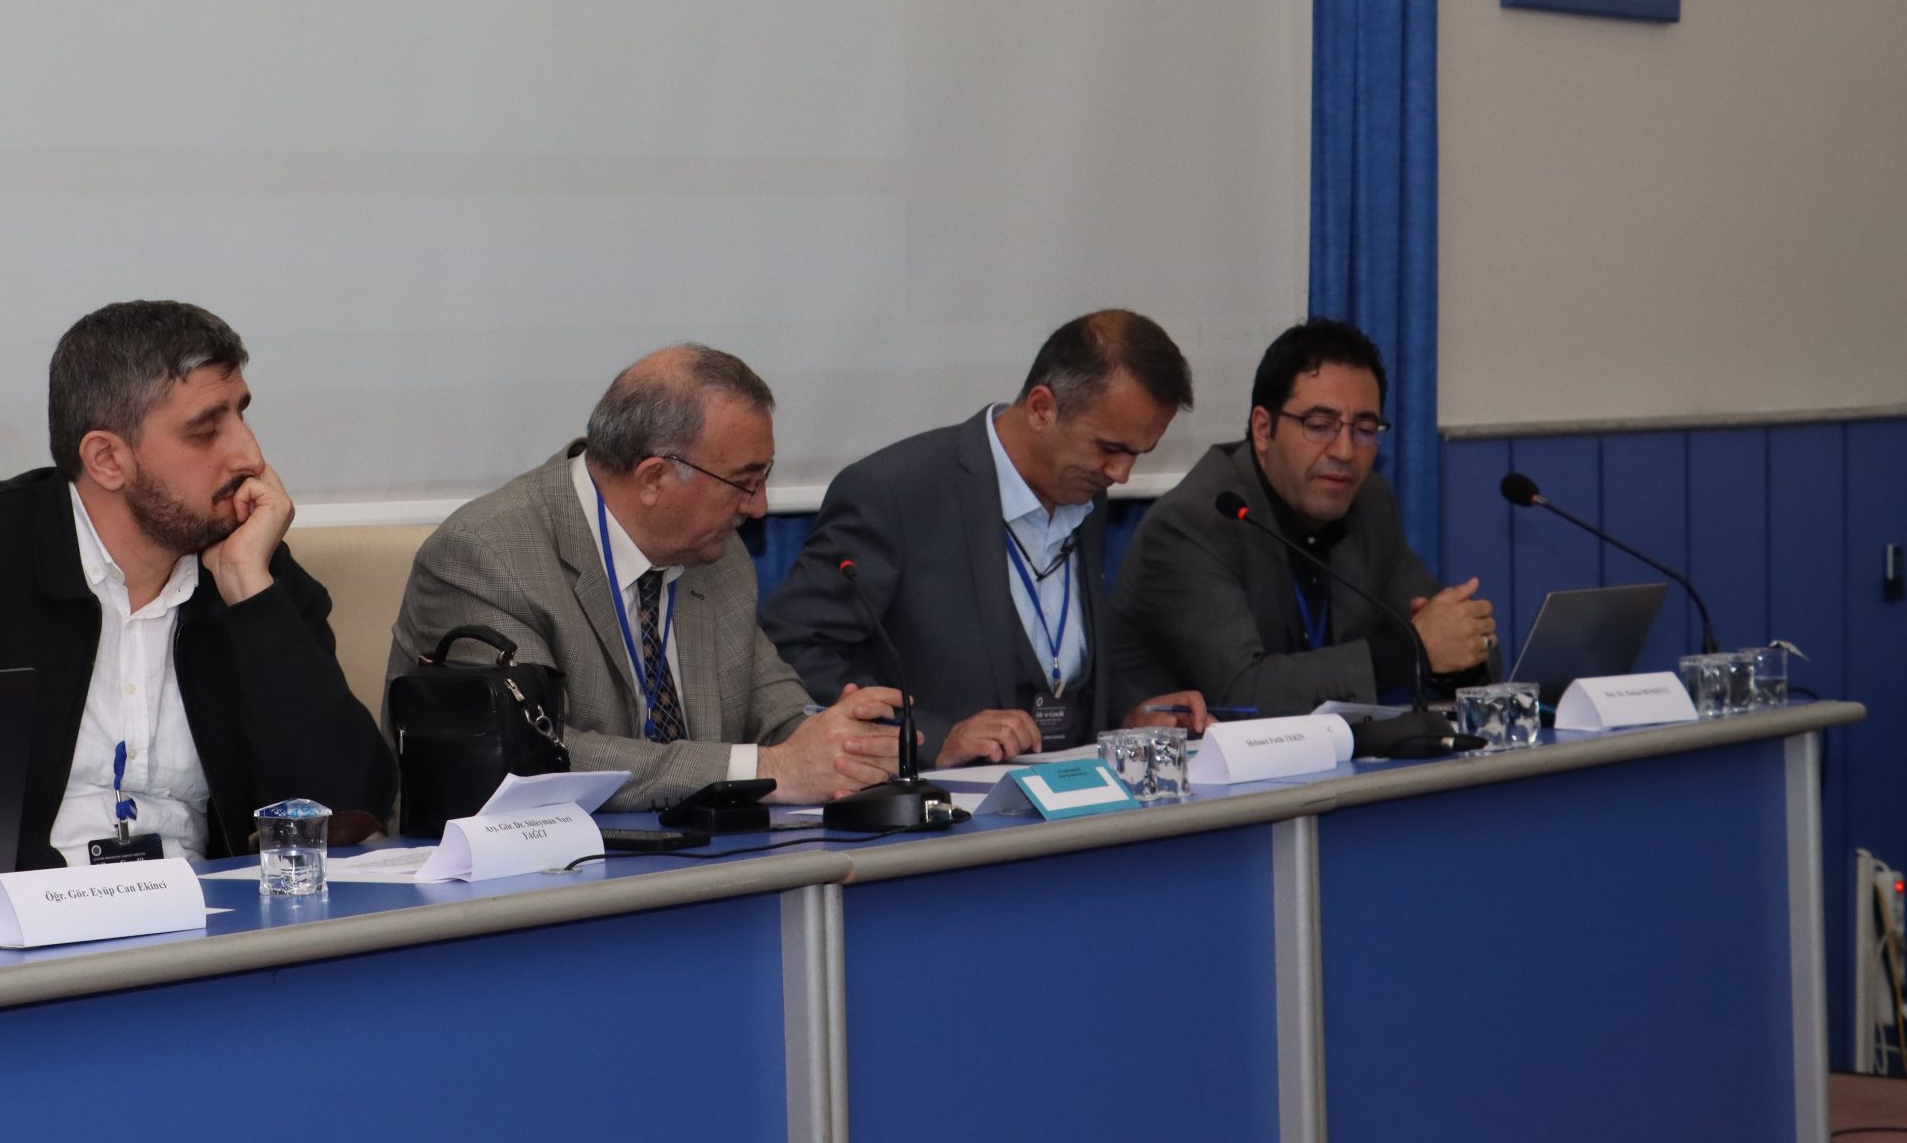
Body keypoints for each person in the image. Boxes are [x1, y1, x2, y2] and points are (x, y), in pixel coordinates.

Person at [0, 301, 394, 868]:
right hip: (5, 922)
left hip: (208, 918)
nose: (250, 455)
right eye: (205, 430)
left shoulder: (255, 574)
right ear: (107, 459)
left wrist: (251, 596)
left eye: (241, 414)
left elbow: (349, 813)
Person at [386, 346, 905, 812]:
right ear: (654, 477)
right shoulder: (486, 555)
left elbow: (773, 707)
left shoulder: (717, 555)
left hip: (698, 859)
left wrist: (839, 741)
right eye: (744, 482)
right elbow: (531, 756)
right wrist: (769, 768)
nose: (759, 507)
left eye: (763, 478)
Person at [760, 310, 1213, 765]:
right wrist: (933, 739)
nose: (1122, 473)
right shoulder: (894, 492)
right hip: (947, 800)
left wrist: (1132, 711)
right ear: (1041, 408)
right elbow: (794, 651)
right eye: (1110, 448)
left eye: (1138, 454)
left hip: (1074, 787)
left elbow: (1068, 658)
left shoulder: (1085, 488)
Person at [1110, 317, 1497, 714]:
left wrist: (1460, 650)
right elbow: (1242, 693)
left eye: (1364, 429)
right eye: (1320, 425)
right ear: (1264, 429)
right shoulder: (1192, 524)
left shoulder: (1370, 502)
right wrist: (1413, 650)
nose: (1345, 452)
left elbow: (1445, 632)